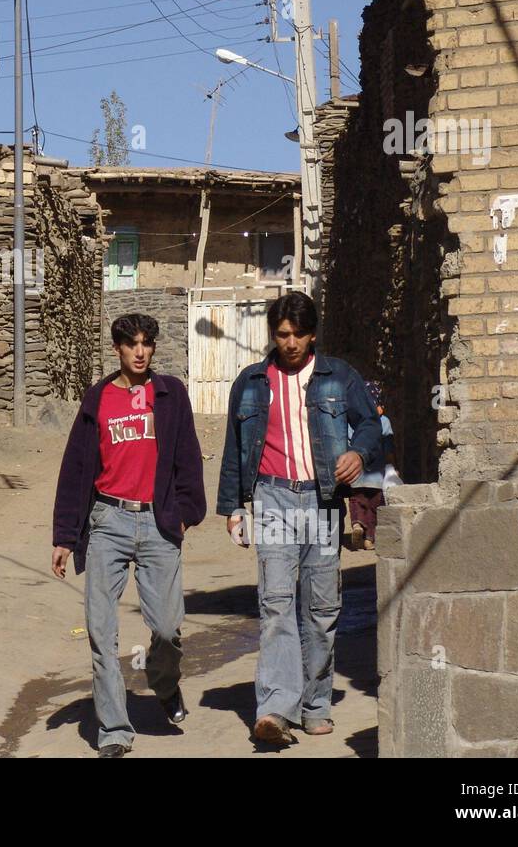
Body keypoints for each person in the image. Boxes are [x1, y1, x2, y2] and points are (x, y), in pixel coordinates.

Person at [216, 292, 380, 747]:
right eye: (281, 334)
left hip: (322, 501)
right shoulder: (250, 383)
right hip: (271, 499)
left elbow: (371, 426)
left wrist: (357, 452)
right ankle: (274, 708)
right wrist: (233, 507)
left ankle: (316, 703)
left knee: (323, 609)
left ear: (312, 335)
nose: (288, 343)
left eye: (297, 335)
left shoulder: (339, 377)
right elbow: (235, 449)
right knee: (275, 604)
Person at [50, 313, 207, 757]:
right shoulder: (97, 398)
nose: (140, 352)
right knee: (101, 632)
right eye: (131, 344)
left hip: (158, 524)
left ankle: (164, 683)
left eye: (147, 344)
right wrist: (65, 535)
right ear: (117, 349)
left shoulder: (170, 394)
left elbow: (188, 456)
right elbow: (76, 469)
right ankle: (115, 731)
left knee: (168, 627)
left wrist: (186, 513)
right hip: (108, 523)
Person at [347, 379, 402, 551]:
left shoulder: (352, 422)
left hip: (355, 471)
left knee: (356, 499)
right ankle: (369, 538)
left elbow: (346, 444)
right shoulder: (384, 422)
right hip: (377, 474)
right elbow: (389, 447)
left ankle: (357, 524)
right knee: (374, 505)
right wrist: (394, 466)